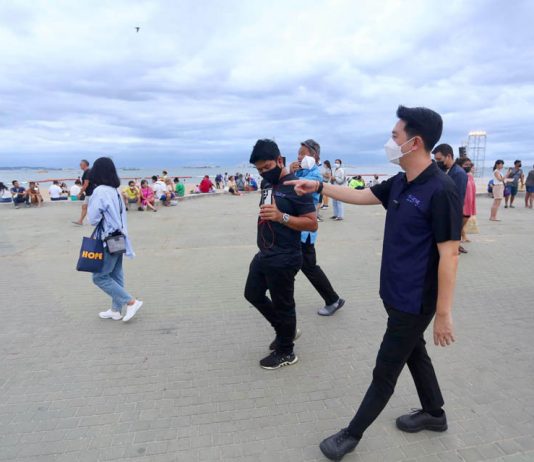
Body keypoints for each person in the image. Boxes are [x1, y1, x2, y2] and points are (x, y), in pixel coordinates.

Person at [287, 106, 461, 461]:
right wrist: (318, 186)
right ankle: (434, 413)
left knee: (385, 370)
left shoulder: (441, 190)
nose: (390, 142)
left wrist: (443, 314)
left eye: (395, 136)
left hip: (415, 300)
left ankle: (350, 435)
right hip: (394, 293)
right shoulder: (401, 182)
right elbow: (362, 196)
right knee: (414, 352)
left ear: (415, 142)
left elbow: (450, 254)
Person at [244, 139, 318, 370]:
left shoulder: (296, 186)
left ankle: (286, 351)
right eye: (259, 170)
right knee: (252, 294)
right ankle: (286, 330)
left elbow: (312, 223)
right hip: (265, 252)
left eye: (266, 167)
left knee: (284, 304)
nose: (263, 172)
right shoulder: (267, 183)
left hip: (285, 256)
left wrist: (281, 217)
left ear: (279, 160)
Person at [290, 139, 345, 317]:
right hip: (295, 229)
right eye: (298, 153)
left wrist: (289, 174)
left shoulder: (315, 176)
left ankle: (333, 299)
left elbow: (294, 188)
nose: (299, 156)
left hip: (305, 232)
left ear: (314, 156)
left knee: (308, 267)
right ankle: (282, 301)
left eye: (303, 153)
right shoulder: (301, 171)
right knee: (293, 265)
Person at [87, 157, 143, 322]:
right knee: (116, 274)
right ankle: (115, 310)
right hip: (119, 237)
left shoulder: (100, 191)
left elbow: (93, 219)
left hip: (108, 238)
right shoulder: (115, 190)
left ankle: (131, 302)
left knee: (99, 277)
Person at [432, 144, 468, 253]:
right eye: (436, 160)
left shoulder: (459, 173)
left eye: (439, 159)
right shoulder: (444, 170)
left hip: (451, 212)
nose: (437, 162)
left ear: (448, 156)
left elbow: (458, 198)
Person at [457, 158, 477, 244]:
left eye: (469, 165)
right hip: (463, 200)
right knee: (464, 217)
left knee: (466, 217)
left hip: (470, 199)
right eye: (466, 164)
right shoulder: (459, 175)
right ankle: (458, 235)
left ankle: (462, 235)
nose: (468, 166)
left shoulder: (470, 176)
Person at [73, 159, 95, 225]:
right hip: (89, 193)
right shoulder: (87, 171)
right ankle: (80, 221)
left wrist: (80, 194)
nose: (80, 165)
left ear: (85, 164)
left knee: (91, 207)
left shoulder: (88, 172)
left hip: (91, 193)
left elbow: (86, 184)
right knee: (84, 207)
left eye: (81, 164)